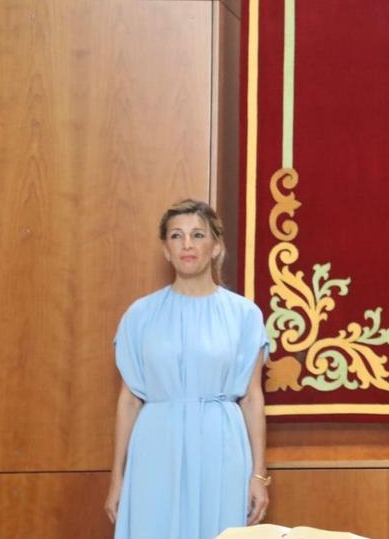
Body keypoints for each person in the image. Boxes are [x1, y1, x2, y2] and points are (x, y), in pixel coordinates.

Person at [105, 200, 270, 539]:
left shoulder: (244, 315)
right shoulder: (140, 315)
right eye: (176, 236)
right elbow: (129, 401)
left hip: (221, 446)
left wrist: (258, 475)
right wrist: (117, 478)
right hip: (155, 445)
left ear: (216, 246)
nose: (188, 245)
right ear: (166, 250)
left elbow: (252, 399)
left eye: (198, 234)